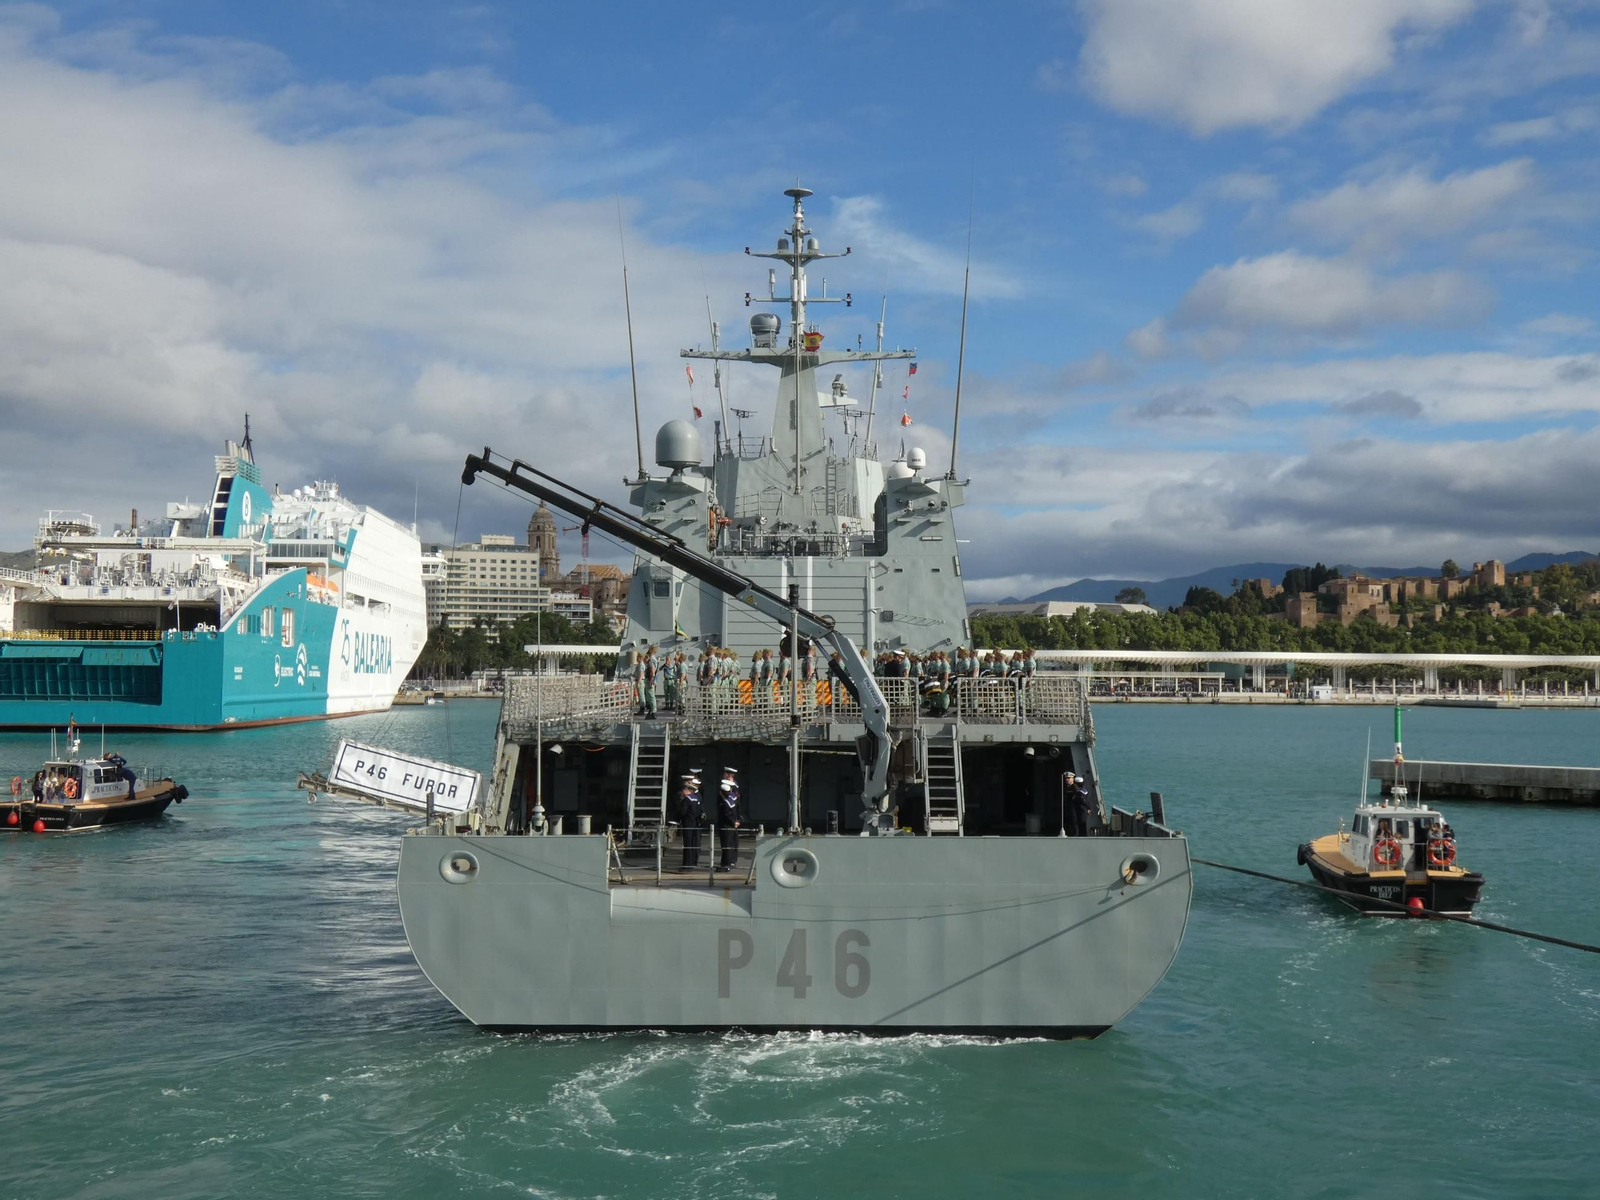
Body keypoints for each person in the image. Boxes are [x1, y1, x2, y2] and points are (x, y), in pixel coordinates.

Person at [716, 767, 742, 869]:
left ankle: (729, 862)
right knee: (730, 842)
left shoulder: (733, 790)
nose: (723, 775)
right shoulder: (727, 792)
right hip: (731, 819)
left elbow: (736, 805)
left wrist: (736, 819)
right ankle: (728, 861)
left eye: (725, 774)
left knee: (729, 842)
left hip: (729, 821)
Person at [677, 775, 703, 868]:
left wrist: (677, 819)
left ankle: (687, 864)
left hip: (687, 824)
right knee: (692, 844)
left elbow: (683, 812)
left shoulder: (687, 800)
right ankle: (692, 862)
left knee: (687, 845)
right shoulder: (695, 798)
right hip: (694, 824)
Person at [1063, 771, 1091, 837]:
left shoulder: (1076, 788)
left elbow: (1082, 799)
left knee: (1078, 826)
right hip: (1071, 810)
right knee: (1073, 825)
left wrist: (1088, 807)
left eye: (1069, 778)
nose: (1067, 779)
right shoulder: (1067, 787)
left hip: (1077, 810)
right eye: (1066, 778)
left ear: (1073, 779)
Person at [639, 645, 659, 718]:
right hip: (649, 679)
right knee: (649, 696)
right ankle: (651, 710)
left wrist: (651, 680)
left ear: (651, 650)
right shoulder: (651, 659)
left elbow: (652, 671)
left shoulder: (652, 660)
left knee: (651, 696)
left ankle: (653, 712)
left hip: (650, 679)